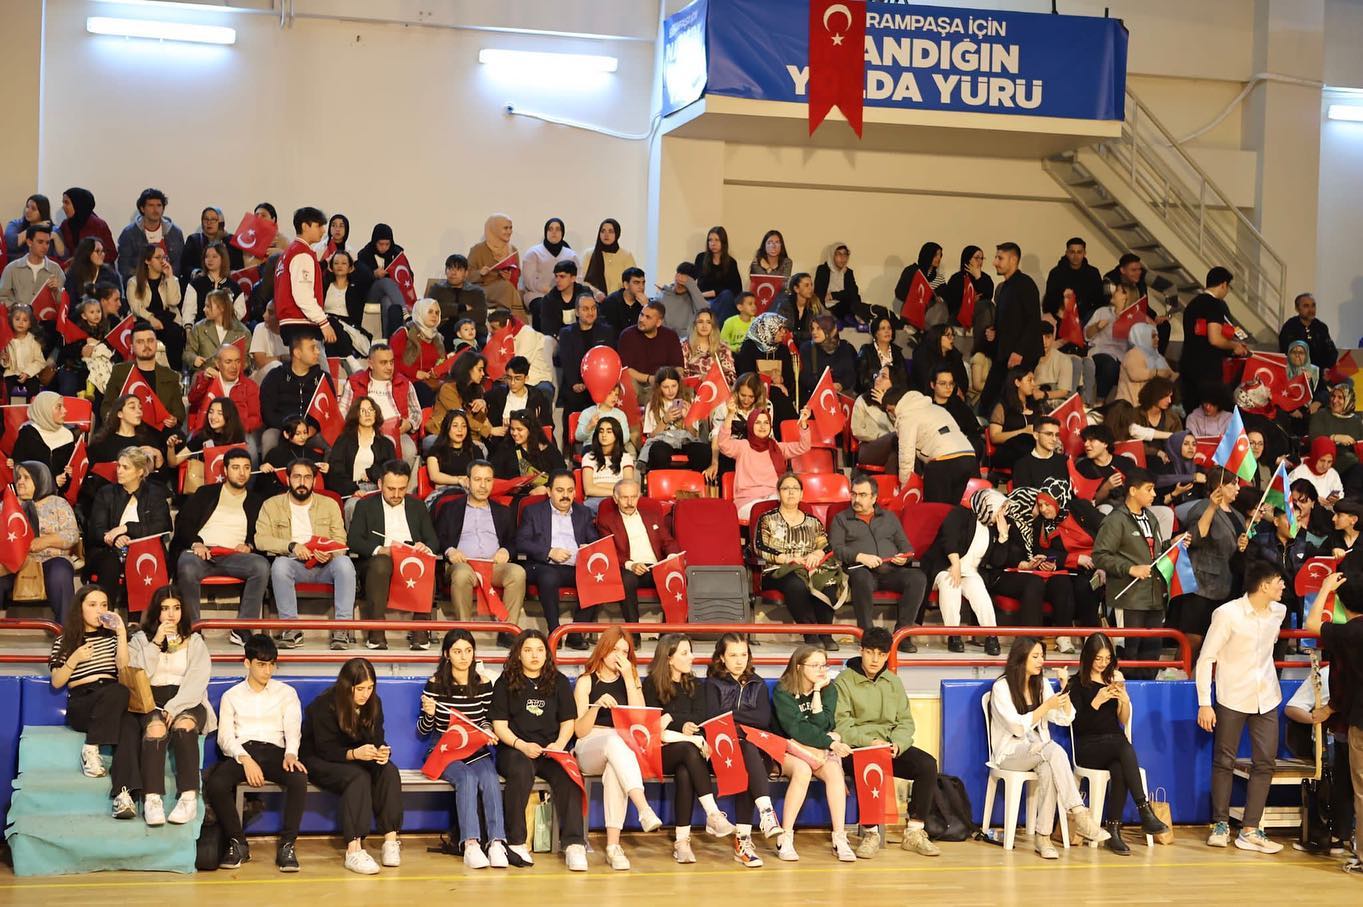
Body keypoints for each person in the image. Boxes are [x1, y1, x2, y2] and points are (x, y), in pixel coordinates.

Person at [1197, 560, 1308, 854]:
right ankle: (1220, 824)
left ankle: (1250, 829)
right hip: (1232, 695)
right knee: (1224, 760)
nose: (1283, 586)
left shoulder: (1279, 612)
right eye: (1278, 581)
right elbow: (1206, 658)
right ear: (1263, 585)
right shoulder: (1227, 614)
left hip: (1267, 695)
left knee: (1265, 762)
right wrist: (1205, 703)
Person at [989, 637, 1109, 858]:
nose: (1041, 661)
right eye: (1035, 656)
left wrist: (1064, 690)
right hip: (1010, 754)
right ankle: (1079, 813)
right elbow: (1016, 727)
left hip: (1038, 751)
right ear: (1020, 658)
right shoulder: (1001, 687)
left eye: (1042, 656)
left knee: (1048, 768)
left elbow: (1065, 718)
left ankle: (1043, 837)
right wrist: (1045, 706)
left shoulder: (1041, 684)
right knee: (1053, 750)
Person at [832, 626, 942, 858]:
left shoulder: (893, 682)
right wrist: (868, 742)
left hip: (889, 747)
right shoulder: (843, 681)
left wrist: (898, 744)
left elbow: (905, 722)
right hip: (858, 749)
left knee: (927, 765)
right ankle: (871, 833)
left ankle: (914, 832)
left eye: (881, 654)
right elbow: (842, 725)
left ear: (887, 656)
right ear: (861, 651)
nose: (875, 659)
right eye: (870, 652)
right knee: (867, 764)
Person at [205, 633, 308, 872]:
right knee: (217, 784)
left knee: (298, 778)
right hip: (244, 751)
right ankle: (238, 843)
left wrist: (291, 754)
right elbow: (225, 738)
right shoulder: (232, 696)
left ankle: (287, 845)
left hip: (276, 751)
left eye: (271, 664)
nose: (267, 671)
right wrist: (245, 759)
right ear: (247, 663)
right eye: (261, 664)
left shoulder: (287, 693)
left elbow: (293, 729)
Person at [490, 629, 588, 871]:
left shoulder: (559, 681)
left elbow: (568, 721)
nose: (534, 655)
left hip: (550, 749)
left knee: (568, 774)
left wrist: (559, 745)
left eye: (539, 650)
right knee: (521, 770)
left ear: (547, 654)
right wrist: (521, 745)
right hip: (515, 749)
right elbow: (499, 726)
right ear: (518, 654)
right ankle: (516, 842)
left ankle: (574, 844)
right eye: (528, 650)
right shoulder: (505, 682)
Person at [1069, 633, 1172, 853]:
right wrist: (1096, 701)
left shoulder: (1113, 679)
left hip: (1114, 744)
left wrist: (1124, 702)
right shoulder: (1076, 684)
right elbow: (1077, 725)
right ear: (1088, 657)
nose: (1103, 664)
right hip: (1088, 746)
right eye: (1098, 659)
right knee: (1122, 745)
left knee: (1119, 767)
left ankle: (1113, 831)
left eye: (1107, 659)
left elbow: (1122, 720)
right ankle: (1144, 809)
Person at [300, 658, 403, 875]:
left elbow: (378, 738)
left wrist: (382, 751)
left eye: (370, 688)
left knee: (389, 771)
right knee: (358, 777)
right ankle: (354, 849)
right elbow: (324, 749)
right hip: (321, 759)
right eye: (360, 689)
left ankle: (390, 841)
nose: (366, 694)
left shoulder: (374, 703)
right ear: (348, 686)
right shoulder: (324, 704)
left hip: (357, 757)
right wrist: (355, 753)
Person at [572, 630, 664, 870]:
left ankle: (613, 847)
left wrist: (629, 679)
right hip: (590, 744)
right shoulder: (586, 681)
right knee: (614, 742)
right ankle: (643, 808)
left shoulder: (631, 680)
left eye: (625, 652)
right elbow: (579, 731)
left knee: (615, 768)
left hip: (621, 747)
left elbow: (640, 721)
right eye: (615, 650)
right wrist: (595, 707)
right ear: (603, 649)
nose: (620, 656)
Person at [418, 629, 511, 868]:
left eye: (468, 651)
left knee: (490, 778)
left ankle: (497, 843)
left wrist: (487, 731)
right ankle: (470, 844)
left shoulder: (483, 683)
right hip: (444, 749)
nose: (463, 657)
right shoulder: (435, 684)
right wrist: (429, 714)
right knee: (467, 778)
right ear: (446, 654)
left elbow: (485, 720)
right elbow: (423, 730)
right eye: (457, 651)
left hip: (474, 748)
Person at [48, 585, 140, 819]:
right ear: (80, 608)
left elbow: (123, 667)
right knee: (118, 694)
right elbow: (57, 681)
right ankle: (90, 747)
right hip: (83, 703)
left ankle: (123, 795)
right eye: (92, 605)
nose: (99, 610)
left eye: (104, 605)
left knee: (130, 726)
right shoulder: (65, 640)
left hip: (112, 699)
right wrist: (75, 658)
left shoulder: (112, 639)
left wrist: (121, 633)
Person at [642, 633, 736, 862]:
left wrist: (672, 718)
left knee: (685, 770)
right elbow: (653, 721)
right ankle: (713, 813)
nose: (692, 657)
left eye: (690, 652)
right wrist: (680, 722)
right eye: (685, 653)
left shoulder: (695, 684)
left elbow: (701, 716)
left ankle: (682, 842)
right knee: (688, 749)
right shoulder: (651, 684)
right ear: (669, 658)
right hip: (660, 750)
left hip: (688, 751)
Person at [127, 586, 213, 827]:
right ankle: (152, 799)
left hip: (187, 699)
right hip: (150, 700)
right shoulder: (140, 640)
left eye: (176, 608)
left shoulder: (195, 641)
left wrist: (174, 707)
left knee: (184, 726)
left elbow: (197, 680)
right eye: (165, 608)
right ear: (156, 611)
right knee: (156, 729)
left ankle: (188, 797)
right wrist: (156, 643)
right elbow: (138, 674)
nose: (171, 614)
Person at [255, 458, 355, 650]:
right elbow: (261, 539)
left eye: (307, 477)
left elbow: (341, 541)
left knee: (345, 564)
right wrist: (292, 546)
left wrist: (330, 553)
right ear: (287, 479)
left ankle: (342, 629)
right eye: (297, 477)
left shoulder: (329, 504)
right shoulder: (271, 505)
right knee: (280, 565)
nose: (302, 482)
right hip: (293, 563)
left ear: (314, 481)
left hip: (325, 564)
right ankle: (291, 629)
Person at [705, 633, 784, 866]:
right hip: (721, 751)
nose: (739, 661)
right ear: (722, 657)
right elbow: (713, 717)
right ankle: (763, 817)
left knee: (749, 753)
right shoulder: (713, 683)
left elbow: (763, 719)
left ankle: (746, 841)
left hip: (755, 750)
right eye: (733, 655)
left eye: (743, 654)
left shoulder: (757, 683)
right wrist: (741, 718)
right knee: (746, 754)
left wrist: (731, 716)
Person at [772, 645, 857, 863]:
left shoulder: (829, 689)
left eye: (823, 665)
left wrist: (818, 691)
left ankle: (839, 837)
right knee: (802, 770)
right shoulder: (783, 690)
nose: (821, 670)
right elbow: (796, 728)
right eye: (815, 665)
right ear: (799, 667)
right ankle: (785, 837)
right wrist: (830, 742)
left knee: (834, 772)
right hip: (785, 747)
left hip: (815, 748)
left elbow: (824, 724)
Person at [170, 449, 269, 633]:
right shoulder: (206, 493)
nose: (242, 473)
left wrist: (249, 545)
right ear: (225, 470)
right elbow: (184, 522)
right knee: (187, 565)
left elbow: (262, 532)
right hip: (202, 553)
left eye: (246, 468)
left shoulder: (257, 501)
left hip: (236, 556)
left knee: (261, 566)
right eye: (236, 467)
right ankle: (193, 629)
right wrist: (196, 543)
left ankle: (243, 629)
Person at [1091, 467, 1175, 677]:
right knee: (1127, 659)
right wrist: (1129, 568)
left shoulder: (1151, 518)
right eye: (1149, 489)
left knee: (1151, 659)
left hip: (1154, 598)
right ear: (1133, 491)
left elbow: (1153, 553)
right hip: (1128, 599)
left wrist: (1171, 543)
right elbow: (1100, 555)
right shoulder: (1115, 520)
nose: (1154, 494)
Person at [348, 460, 439, 651]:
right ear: (380, 484)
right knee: (381, 563)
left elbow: (433, 541)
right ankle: (376, 631)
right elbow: (354, 540)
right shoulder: (365, 505)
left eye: (402, 489)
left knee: (425, 560)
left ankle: (420, 629)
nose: (397, 494)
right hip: (380, 560)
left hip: (411, 559)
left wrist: (424, 547)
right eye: (391, 489)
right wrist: (381, 549)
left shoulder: (417, 505)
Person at [829, 473, 927, 642]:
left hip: (891, 570)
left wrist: (904, 558)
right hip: (861, 570)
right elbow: (836, 549)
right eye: (854, 494)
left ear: (874, 498)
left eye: (862, 495)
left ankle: (902, 635)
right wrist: (860, 556)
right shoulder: (841, 519)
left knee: (918, 578)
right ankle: (867, 635)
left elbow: (906, 547)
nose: (856, 499)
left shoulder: (889, 517)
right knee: (861, 577)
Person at [755, 474, 847, 649]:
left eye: (795, 489)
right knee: (796, 584)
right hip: (777, 570)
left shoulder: (813, 522)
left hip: (809, 568)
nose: (791, 492)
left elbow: (827, 545)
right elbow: (760, 547)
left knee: (826, 581)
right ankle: (810, 633)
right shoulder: (767, 519)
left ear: (802, 494)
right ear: (779, 493)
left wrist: (817, 554)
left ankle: (826, 634)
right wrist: (788, 558)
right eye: (786, 488)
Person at [437, 460, 527, 636]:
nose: (483, 485)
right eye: (478, 479)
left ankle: (508, 632)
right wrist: (450, 550)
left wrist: (506, 550)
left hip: (494, 566)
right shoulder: (450, 508)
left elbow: (514, 540)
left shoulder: (503, 511)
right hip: (464, 564)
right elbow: (437, 537)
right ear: (468, 481)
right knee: (462, 574)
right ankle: (464, 632)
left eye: (488, 480)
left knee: (517, 573)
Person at [515, 469, 599, 646]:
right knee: (549, 576)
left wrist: (589, 549)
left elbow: (595, 541)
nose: (565, 496)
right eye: (560, 490)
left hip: (576, 566)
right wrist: (549, 552)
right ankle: (555, 632)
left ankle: (576, 633)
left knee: (598, 577)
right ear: (549, 491)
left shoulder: (583, 512)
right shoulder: (533, 511)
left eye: (570, 490)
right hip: (543, 565)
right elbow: (521, 542)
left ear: (575, 492)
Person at [1177, 468, 1250, 656]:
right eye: (1233, 483)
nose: (1238, 488)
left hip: (1229, 584)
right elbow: (1195, 538)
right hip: (1202, 585)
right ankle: (1178, 671)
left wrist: (1241, 545)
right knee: (1194, 639)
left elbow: (1235, 547)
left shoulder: (1239, 515)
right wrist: (1211, 507)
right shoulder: (1202, 507)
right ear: (1219, 486)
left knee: (1219, 642)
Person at [85, 447, 171, 600]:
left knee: (145, 559)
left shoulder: (155, 493)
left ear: (140, 472)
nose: (119, 471)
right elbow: (96, 529)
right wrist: (114, 538)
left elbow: (163, 525)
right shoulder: (106, 493)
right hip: (108, 551)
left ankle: (140, 614)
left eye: (125, 467)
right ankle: (106, 611)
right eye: (118, 466)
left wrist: (126, 528)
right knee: (110, 563)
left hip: (145, 550)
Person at [596, 478, 679, 624]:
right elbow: (609, 551)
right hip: (629, 568)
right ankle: (633, 631)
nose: (629, 502)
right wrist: (631, 565)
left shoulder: (652, 516)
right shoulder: (606, 521)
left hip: (655, 567)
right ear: (615, 499)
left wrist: (672, 557)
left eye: (633, 497)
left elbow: (668, 541)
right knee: (627, 580)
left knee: (677, 575)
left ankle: (669, 631)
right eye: (624, 498)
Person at [924, 497, 1001, 654]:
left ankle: (992, 636)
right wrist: (955, 564)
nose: (1003, 513)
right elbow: (948, 539)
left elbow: (997, 561)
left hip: (970, 572)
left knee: (980, 592)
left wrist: (1003, 537)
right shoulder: (961, 514)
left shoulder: (993, 528)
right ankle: (954, 635)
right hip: (946, 567)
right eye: (1002, 509)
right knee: (950, 584)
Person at [0, 462, 77, 619]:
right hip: (13, 562)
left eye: (26, 477)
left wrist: (45, 541)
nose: (20, 481)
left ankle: (66, 630)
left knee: (60, 573)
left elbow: (72, 535)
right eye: (18, 477)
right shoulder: (7, 505)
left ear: (41, 479)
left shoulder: (58, 503)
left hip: (50, 559)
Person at [718, 408, 812, 520]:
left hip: (774, 499)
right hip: (748, 502)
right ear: (750, 425)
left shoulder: (777, 448)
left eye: (766, 423)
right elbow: (723, 444)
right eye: (758, 422)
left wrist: (804, 423)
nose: (762, 426)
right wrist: (730, 415)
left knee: (798, 510)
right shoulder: (742, 446)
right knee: (770, 514)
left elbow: (804, 446)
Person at [890, 386, 978, 504]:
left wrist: (905, 487)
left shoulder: (906, 417)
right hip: (968, 456)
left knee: (933, 510)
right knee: (953, 509)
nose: (891, 415)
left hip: (943, 460)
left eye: (890, 410)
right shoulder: (938, 409)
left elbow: (906, 456)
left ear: (897, 405)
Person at [981, 243, 1042, 413]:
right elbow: (1010, 321)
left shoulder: (1025, 284)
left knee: (1012, 400)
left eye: (1000, 258)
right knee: (990, 399)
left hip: (1020, 355)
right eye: (996, 258)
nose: (995, 262)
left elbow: (1033, 321)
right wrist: (994, 332)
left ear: (1013, 260)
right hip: (1006, 353)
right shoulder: (1005, 287)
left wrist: (1019, 352)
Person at [339, 343, 421, 464]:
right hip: (362, 433)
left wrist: (409, 424)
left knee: (409, 451)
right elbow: (342, 412)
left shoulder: (404, 383)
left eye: (391, 362)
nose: (389, 367)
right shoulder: (354, 383)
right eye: (383, 363)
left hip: (397, 434)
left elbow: (416, 412)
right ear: (371, 364)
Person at [1180, 267, 1248, 411]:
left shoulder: (1192, 304)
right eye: (1228, 287)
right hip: (1207, 368)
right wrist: (1234, 346)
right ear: (1223, 284)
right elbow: (1215, 339)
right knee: (1211, 413)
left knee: (1192, 413)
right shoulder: (1214, 304)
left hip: (1187, 364)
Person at [556, 294, 617, 446]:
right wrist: (574, 383)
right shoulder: (566, 333)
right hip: (576, 384)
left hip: (601, 386)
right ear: (577, 312)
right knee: (573, 400)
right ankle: (571, 448)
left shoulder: (607, 331)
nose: (590, 312)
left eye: (593, 308)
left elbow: (610, 359)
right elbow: (567, 361)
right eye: (585, 309)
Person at [101, 323, 186, 430]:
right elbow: (107, 406)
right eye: (140, 342)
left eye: (150, 341)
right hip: (128, 431)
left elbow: (179, 412)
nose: (146, 345)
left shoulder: (171, 376)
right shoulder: (120, 371)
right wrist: (115, 421)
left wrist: (174, 420)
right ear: (132, 347)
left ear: (156, 343)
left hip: (160, 431)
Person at [188, 342, 262, 463]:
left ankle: (249, 476)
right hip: (208, 431)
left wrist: (234, 427)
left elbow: (256, 418)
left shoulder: (250, 386)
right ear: (217, 364)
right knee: (192, 441)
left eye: (237, 361)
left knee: (251, 446)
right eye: (228, 362)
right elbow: (192, 400)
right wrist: (204, 381)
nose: (234, 366)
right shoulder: (207, 380)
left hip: (238, 433)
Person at [259, 334, 333, 455]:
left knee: (333, 440)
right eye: (312, 348)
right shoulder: (275, 376)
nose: (317, 352)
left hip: (311, 431)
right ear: (297, 353)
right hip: (282, 430)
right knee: (269, 437)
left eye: (317, 348)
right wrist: (291, 429)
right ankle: (269, 468)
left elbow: (329, 412)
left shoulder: (323, 378)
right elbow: (268, 413)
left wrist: (313, 428)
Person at [272, 207, 331, 347]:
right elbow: (303, 294)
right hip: (301, 323)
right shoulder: (301, 254)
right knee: (314, 361)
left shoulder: (287, 253)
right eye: (319, 225)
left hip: (291, 322)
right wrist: (323, 322)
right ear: (305, 226)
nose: (323, 230)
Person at [640, 366, 709, 471]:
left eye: (674, 386)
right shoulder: (652, 405)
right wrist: (665, 420)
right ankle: (663, 480)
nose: (670, 391)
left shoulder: (688, 401)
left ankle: (694, 479)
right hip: (663, 441)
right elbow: (651, 436)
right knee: (658, 451)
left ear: (678, 385)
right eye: (665, 387)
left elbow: (695, 435)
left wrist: (687, 419)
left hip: (685, 441)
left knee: (703, 451)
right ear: (659, 387)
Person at [735, 312, 799, 422]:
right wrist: (771, 383)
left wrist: (782, 379)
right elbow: (747, 377)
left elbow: (790, 379)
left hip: (780, 393)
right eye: (779, 329)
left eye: (784, 329)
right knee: (777, 393)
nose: (783, 332)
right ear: (768, 328)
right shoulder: (749, 347)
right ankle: (791, 425)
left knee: (780, 395)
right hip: (753, 393)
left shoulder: (783, 350)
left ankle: (790, 427)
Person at [618, 302, 683, 404]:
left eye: (648, 317)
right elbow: (626, 370)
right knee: (630, 383)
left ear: (658, 322)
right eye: (641, 314)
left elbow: (678, 367)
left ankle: (678, 412)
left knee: (683, 387)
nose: (642, 319)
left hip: (664, 382)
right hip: (639, 383)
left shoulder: (671, 336)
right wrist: (649, 379)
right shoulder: (627, 335)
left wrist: (670, 381)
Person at [115, 188, 185, 281]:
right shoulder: (129, 233)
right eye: (151, 205)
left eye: (159, 205)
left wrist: (168, 279)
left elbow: (179, 263)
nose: (155, 210)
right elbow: (125, 266)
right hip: (139, 284)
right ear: (142, 208)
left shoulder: (175, 232)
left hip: (168, 282)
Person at [489, 409, 566, 493]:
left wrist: (546, 488)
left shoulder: (548, 449)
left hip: (544, 496)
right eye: (512, 429)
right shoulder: (506, 448)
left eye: (519, 429)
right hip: (514, 497)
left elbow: (562, 475)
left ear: (531, 430)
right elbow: (493, 474)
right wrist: (508, 487)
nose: (514, 433)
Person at [427, 351, 493, 443]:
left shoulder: (478, 390)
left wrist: (482, 407)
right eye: (480, 370)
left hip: (468, 437)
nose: (483, 374)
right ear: (467, 369)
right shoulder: (448, 389)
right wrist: (488, 430)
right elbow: (460, 417)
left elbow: (479, 420)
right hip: (443, 434)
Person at [387, 299, 445, 406]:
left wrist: (437, 371)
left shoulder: (438, 338)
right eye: (430, 312)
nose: (434, 315)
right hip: (409, 380)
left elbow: (441, 363)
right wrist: (415, 373)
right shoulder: (404, 333)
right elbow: (391, 362)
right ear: (420, 312)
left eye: (437, 313)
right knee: (423, 390)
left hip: (431, 382)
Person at [468, 214, 524, 321]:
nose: (509, 231)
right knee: (507, 288)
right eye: (505, 228)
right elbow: (466, 275)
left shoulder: (512, 250)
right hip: (482, 289)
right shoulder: (478, 249)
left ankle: (506, 322)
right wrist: (480, 273)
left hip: (505, 289)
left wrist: (510, 277)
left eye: (510, 228)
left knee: (507, 288)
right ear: (494, 229)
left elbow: (516, 276)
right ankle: (519, 324)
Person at [356, 223, 410, 337]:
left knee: (387, 301)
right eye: (381, 244)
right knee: (385, 282)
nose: (384, 247)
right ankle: (405, 313)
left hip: (391, 295)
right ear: (375, 241)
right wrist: (373, 274)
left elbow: (408, 274)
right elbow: (359, 277)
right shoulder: (364, 254)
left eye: (387, 244)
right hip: (371, 293)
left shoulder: (397, 253)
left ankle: (390, 339)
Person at [486, 308, 553, 398]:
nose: (491, 331)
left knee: (544, 391)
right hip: (506, 379)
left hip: (534, 378)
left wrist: (503, 374)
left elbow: (519, 364)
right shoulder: (493, 335)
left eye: (494, 328)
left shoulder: (527, 334)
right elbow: (491, 360)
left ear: (507, 327)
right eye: (490, 327)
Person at [521, 217, 581, 316]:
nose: (554, 232)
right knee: (545, 307)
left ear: (562, 233)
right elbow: (529, 280)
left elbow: (578, 278)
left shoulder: (571, 255)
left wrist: (565, 292)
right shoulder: (533, 253)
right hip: (538, 295)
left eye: (558, 229)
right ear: (546, 232)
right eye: (550, 229)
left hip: (566, 295)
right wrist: (550, 291)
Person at [11, 392, 75, 483]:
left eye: (63, 406)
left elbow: (70, 473)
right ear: (45, 410)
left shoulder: (68, 435)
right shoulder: (27, 433)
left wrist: (72, 473)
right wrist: (52, 482)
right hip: (33, 488)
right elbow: (19, 469)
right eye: (59, 407)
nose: (65, 411)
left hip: (60, 491)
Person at [987, 367, 1039, 474]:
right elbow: (995, 437)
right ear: (1017, 382)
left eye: (1034, 380)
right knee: (1028, 453)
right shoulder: (1003, 406)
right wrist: (1023, 431)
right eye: (1029, 380)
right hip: (1009, 451)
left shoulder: (1036, 407)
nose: (1033, 384)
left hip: (1033, 449)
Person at [486, 356, 554, 438]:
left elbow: (548, 427)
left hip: (530, 442)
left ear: (526, 378)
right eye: (509, 378)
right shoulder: (498, 393)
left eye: (517, 379)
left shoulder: (537, 397)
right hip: (501, 442)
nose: (512, 383)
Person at [0, 222, 64, 309]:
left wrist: (56, 291)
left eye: (47, 243)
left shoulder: (56, 270)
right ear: (29, 242)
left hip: (46, 316)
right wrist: (17, 308)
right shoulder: (12, 269)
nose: (45, 247)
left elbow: (63, 304)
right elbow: (2, 297)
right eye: (40, 242)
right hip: (18, 316)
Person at [185, 288, 248, 374]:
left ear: (221, 308)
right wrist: (194, 359)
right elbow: (188, 353)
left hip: (232, 377)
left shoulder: (242, 332)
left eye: (208, 306)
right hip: (205, 376)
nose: (204, 309)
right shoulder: (198, 328)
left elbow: (248, 360)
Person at [424, 410, 488, 497]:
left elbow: (482, 473)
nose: (460, 430)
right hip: (444, 493)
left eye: (464, 426)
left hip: (471, 493)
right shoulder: (436, 450)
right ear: (447, 428)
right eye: (455, 426)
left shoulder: (475, 450)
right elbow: (434, 476)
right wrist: (459, 480)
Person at [428, 254, 487, 346]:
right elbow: (430, 312)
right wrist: (461, 308)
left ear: (466, 273)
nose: (453, 273)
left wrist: (449, 315)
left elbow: (480, 316)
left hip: (472, 331)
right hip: (444, 330)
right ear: (445, 271)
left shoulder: (476, 292)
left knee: (482, 343)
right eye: (450, 269)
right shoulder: (437, 289)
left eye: (458, 269)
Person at [580, 415, 635, 510]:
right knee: (586, 508)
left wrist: (598, 485)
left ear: (616, 434)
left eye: (609, 431)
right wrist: (617, 490)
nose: (604, 435)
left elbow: (627, 487)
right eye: (601, 431)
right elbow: (589, 489)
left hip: (620, 500)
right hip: (595, 500)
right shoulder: (589, 457)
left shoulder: (626, 457)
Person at [181, 240, 242, 325]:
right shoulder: (196, 284)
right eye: (207, 256)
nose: (210, 260)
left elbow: (239, 313)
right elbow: (188, 312)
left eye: (214, 256)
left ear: (223, 259)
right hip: (201, 330)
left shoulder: (234, 286)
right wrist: (189, 329)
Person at [799, 315, 857, 404]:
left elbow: (851, 374)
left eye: (819, 328)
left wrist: (841, 384)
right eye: (812, 328)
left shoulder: (845, 347)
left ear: (832, 330)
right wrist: (828, 386)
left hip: (841, 396)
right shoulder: (807, 348)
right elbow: (805, 378)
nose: (814, 332)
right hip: (816, 397)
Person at [1116, 321, 1176, 407]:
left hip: (1147, 407)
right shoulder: (1133, 354)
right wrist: (1157, 373)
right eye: (1153, 336)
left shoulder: (1158, 357)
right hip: (1129, 407)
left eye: (1157, 336)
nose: (1157, 339)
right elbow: (1135, 375)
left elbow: (1172, 375)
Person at [1043, 237, 1105, 320]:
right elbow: (1050, 300)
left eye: (1079, 252)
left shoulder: (1093, 273)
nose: (1076, 256)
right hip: (1062, 317)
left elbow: (1100, 299)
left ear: (1084, 253)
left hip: (1087, 318)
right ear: (1067, 253)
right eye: (1072, 252)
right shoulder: (1056, 273)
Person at [179, 206, 242, 284]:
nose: (209, 222)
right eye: (206, 219)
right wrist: (198, 273)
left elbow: (239, 266)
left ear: (221, 223)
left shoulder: (231, 241)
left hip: (226, 283)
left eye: (213, 219)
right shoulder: (194, 240)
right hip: (201, 283)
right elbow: (185, 266)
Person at [56, 188, 117, 266]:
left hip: (97, 270)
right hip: (73, 270)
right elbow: (62, 253)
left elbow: (112, 254)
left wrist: (86, 259)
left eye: (67, 203)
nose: (63, 207)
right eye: (63, 203)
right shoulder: (65, 225)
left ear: (78, 204)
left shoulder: (98, 225)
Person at [851, 367, 898, 470]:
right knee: (896, 438)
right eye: (878, 375)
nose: (878, 379)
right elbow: (856, 430)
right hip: (868, 447)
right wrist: (879, 436)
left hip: (892, 448)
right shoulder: (863, 400)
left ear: (893, 382)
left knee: (894, 458)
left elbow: (902, 426)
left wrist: (886, 404)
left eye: (883, 376)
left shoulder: (897, 404)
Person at [1278, 292, 1338, 370]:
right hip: (1297, 371)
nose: (1311, 310)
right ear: (1297, 309)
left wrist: (1327, 367)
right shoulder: (1290, 327)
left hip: (1319, 371)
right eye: (1306, 306)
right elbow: (1288, 353)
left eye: (1313, 306)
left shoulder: (1321, 327)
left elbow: (1331, 351)